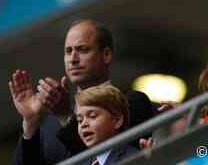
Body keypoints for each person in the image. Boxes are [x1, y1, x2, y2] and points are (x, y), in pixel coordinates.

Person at [9, 19, 155, 165]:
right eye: (68, 51)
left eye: (83, 49)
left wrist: (66, 117)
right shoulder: (50, 125)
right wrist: (30, 121)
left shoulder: (132, 103)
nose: (73, 59)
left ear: (106, 55)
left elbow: (110, 158)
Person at [75, 85, 138, 165]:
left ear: (117, 120)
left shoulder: (133, 159)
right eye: (79, 120)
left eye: (92, 116)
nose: (83, 124)